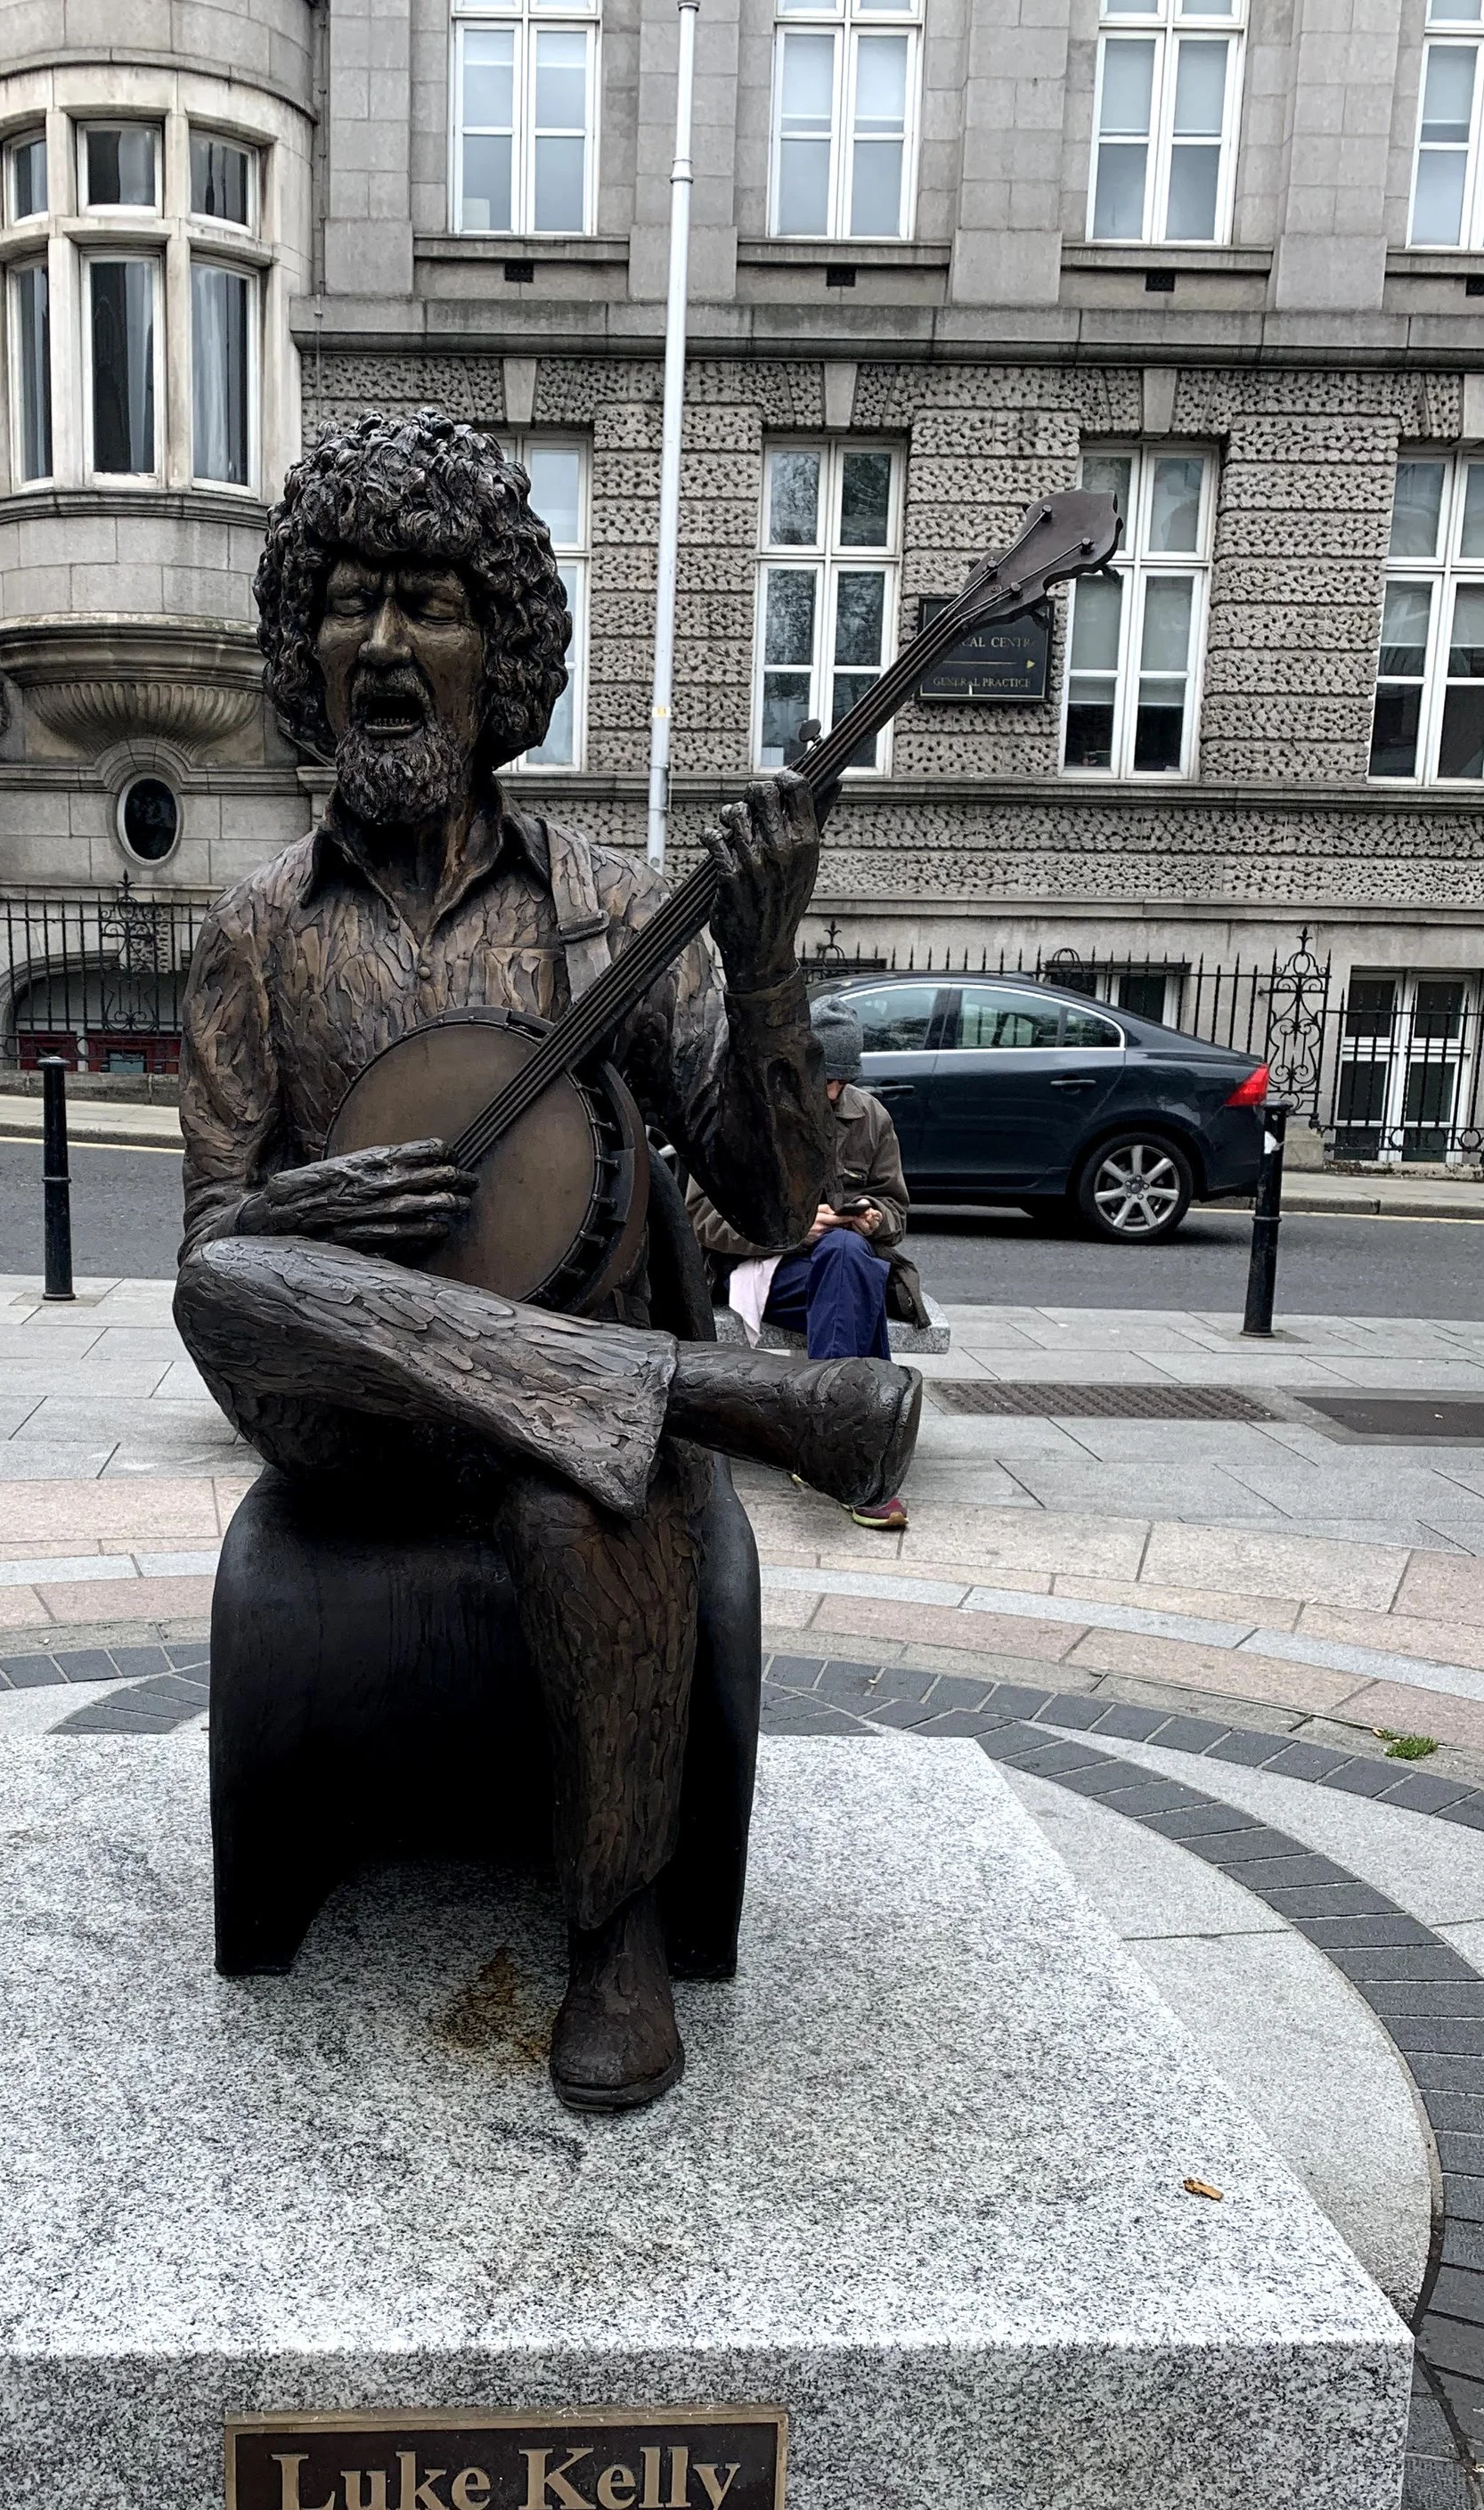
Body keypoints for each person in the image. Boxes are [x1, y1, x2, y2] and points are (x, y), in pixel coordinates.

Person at [174, 408, 923, 2115]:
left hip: (558, 1436)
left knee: (594, 1482)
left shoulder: (604, 902)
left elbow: (762, 1181)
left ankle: (614, 1926)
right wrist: (303, 1222)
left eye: (428, 605)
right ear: (305, 644)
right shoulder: (255, 936)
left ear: (497, 646)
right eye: (350, 603)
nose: (382, 644)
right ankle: (689, 1392)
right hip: (363, 1422)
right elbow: (216, 1269)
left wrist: (773, 962)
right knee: (234, 1288)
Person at [684, 1003, 928, 1530]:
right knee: (849, 1271)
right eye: (825, 1080)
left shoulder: (871, 1117)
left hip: (844, 1270)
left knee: (847, 1258)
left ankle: (828, 1435)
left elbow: (896, 1212)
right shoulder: (743, 1116)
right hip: (764, 1275)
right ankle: (858, 1442)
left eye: (844, 1081)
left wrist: (872, 1220)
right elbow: (699, 1216)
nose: (835, 1093)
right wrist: (791, 1231)